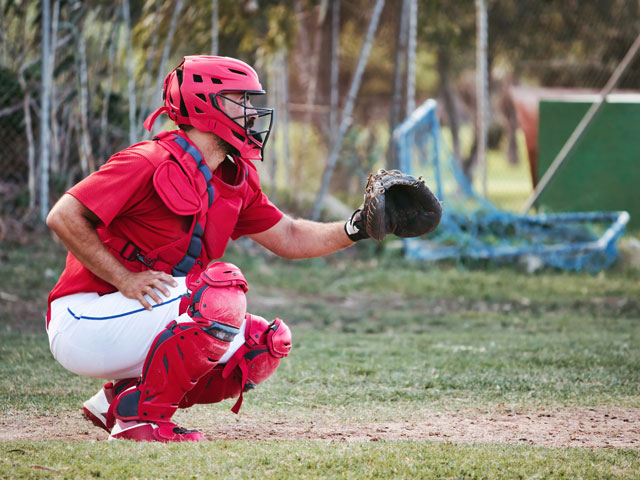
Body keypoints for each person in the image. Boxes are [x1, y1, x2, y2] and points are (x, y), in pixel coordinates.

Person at [46, 55, 369, 443]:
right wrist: (124, 278)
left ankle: (119, 399)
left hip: (133, 316)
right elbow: (63, 215)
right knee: (219, 297)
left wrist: (360, 225)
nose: (252, 111)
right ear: (207, 103)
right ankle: (140, 422)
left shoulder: (231, 176)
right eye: (241, 100)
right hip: (82, 320)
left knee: (261, 345)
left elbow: (290, 235)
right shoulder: (146, 160)